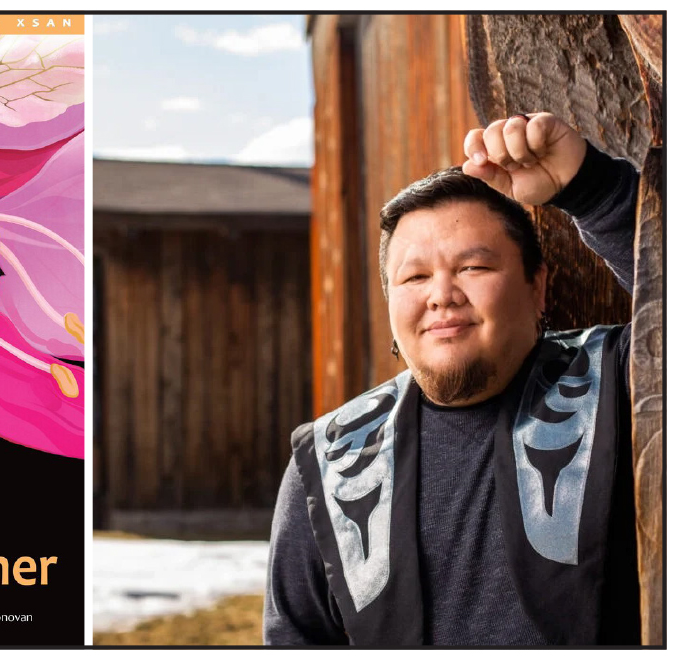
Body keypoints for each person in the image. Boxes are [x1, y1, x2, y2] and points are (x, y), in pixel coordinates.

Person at [264, 113, 641, 646]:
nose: (442, 294)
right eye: (415, 277)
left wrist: (595, 189)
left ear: (537, 289)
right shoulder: (325, 466)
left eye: (473, 268)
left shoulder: (623, 382)